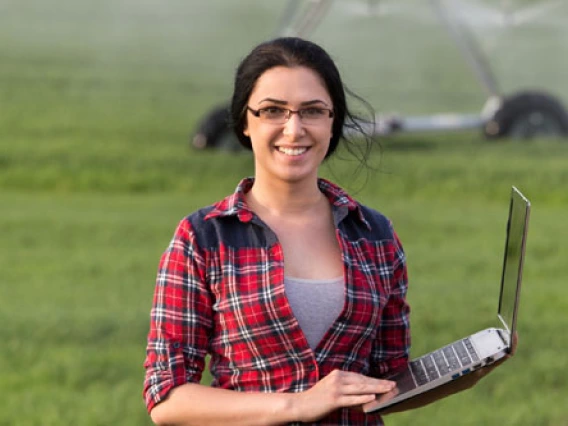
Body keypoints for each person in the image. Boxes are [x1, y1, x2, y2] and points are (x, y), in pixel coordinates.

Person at [143, 37, 513, 426]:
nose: (294, 128)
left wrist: (463, 373)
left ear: (332, 121)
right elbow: (166, 397)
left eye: (312, 111)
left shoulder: (374, 234)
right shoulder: (203, 238)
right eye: (272, 111)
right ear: (244, 122)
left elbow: (385, 383)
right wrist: (298, 404)